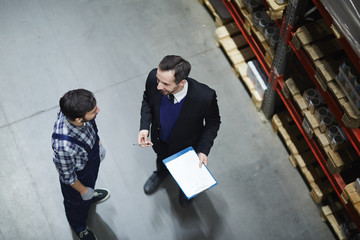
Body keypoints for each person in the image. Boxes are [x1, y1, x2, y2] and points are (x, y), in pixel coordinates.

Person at [138, 55, 221, 207]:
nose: (158, 87)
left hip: (188, 148)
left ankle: (187, 189)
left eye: (165, 84)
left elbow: (213, 123)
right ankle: (161, 172)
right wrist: (144, 127)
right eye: (158, 80)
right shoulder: (153, 77)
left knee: (188, 174)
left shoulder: (204, 97)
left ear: (182, 82)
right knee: (162, 159)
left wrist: (203, 150)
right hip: (161, 141)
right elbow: (147, 99)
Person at [51, 89, 110, 240]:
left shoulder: (77, 110)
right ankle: (78, 226)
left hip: (89, 164)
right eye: (93, 111)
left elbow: (92, 128)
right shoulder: (63, 146)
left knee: (90, 187)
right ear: (78, 119)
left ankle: (89, 196)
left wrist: (99, 144)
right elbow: (68, 176)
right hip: (78, 177)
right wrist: (84, 191)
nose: (98, 110)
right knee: (76, 204)